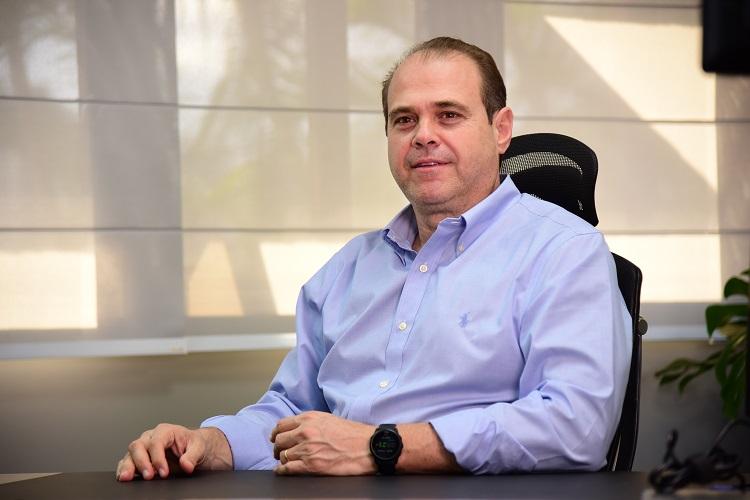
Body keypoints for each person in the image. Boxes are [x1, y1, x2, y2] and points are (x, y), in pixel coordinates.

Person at [116, 36, 631, 480]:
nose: (423, 135)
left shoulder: (564, 251)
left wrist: (379, 447)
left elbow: (574, 425)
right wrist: (209, 444)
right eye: (404, 119)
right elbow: (293, 409)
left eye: (448, 115)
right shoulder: (349, 267)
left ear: (501, 130)